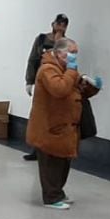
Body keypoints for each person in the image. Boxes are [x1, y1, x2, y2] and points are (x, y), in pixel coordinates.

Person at [26, 37, 101, 209]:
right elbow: (60, 89)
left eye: (76, 53)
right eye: (71, 53)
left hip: (65, 127)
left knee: (62, 162)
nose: (74, 57)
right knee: (50, 164)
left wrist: (92, 86)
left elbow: (76, 90)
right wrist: (72, 72)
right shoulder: (47, 70)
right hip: (48, 127)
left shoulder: (66, 69)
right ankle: (51, 197)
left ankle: (58, 192)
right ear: (59, 53)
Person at [23, 14, 70, 161]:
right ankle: (36, 149)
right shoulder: (42, 39)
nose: (60, 27)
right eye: (59, 24)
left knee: (55, 117)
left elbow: (68, 64)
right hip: (42, 83)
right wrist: (29, 81)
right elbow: (33, 60)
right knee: (39, 117)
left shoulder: (67, 44)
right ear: (53, 23)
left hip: (57, 84)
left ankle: (52, 149)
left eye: (64, 25)